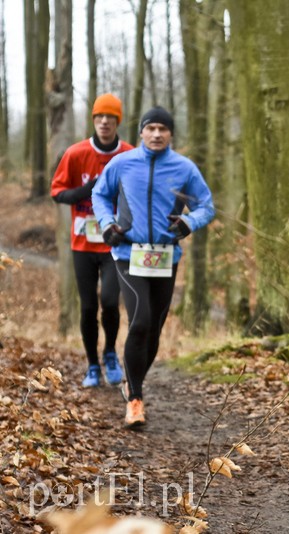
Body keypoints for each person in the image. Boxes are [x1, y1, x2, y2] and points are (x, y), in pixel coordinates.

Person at [92, 106, 215, 428]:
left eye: (163, 129)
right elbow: (100, 194)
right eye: (151, 128)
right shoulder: (123, 163)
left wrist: (190, 221)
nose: (157, 134)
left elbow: (206, 206)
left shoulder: (183, 168)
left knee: (154, 330)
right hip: (128, 253)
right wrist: (107, 223)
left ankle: (132, 385)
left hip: (165, 256)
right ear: (142, 132)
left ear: (171, 134)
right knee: (141, 321)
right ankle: (135, 398)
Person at [51, 93, 134, 388]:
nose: (104, 122)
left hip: (116, 242)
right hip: (82, 243)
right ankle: (91, 365)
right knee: (88, 307)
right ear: (94, 121)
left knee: (110, 302)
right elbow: (57, 192)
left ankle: (110, 353)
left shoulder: (129, 154)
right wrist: (87, 190)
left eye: (110, 118)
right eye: (99, 117)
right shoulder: (75, 154)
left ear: (117, 122)